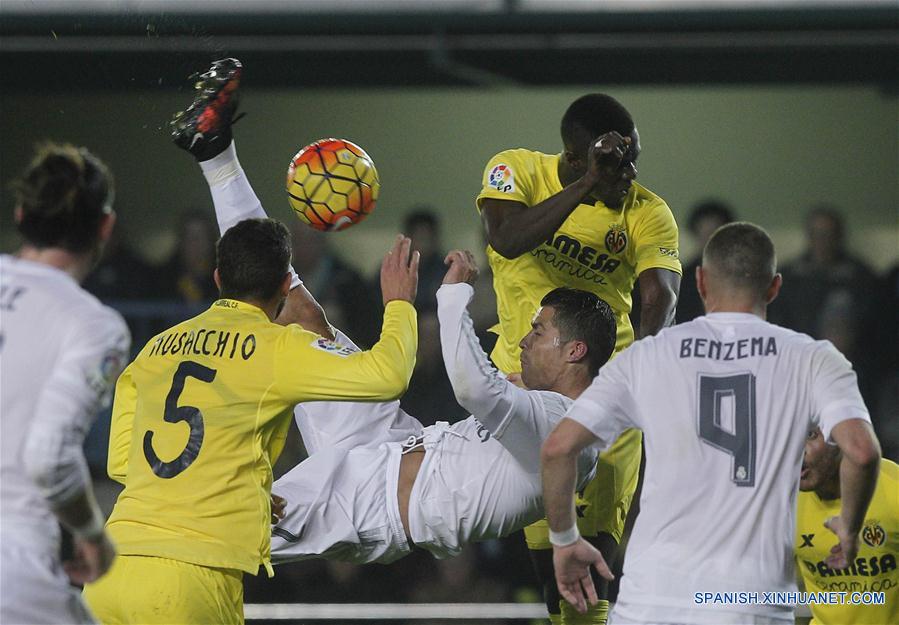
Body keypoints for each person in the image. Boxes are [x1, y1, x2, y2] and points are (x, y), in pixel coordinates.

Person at [81, 57, 420, 625]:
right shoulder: (277, 349)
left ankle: (215, 155)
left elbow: (123, 461)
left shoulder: (158, 347)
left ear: (217, 278)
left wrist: (235, 486)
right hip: (190, 580)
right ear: (287, 286)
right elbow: (387, 376)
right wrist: (402, 304)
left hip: (113, 569)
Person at [541, 222, 882, 624]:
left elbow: (558, 448)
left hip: (650, 601)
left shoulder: (647, 356)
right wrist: (849, 528)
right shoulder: (813, 359)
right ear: (774, 287)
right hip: (748, 604)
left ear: (701, 282)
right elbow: (862, 452)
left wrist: (565, 539)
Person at [270, 254, 614, 572]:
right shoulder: (544, 409)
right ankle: (240, 206)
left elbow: (473, 388)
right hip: (385, 441)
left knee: (240, 526)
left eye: (538, 332)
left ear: (574, 351)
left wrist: (452, 295)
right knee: (304, 319)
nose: (525, 341)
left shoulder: (567, 432)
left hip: (369, 505)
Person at [476, 93, 682, 623]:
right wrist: (589, 184)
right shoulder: (515, 170)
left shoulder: (647, 211)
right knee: (553, 576)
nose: (628, 174)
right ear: (575, 158)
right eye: (615, 164)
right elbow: (506, 238)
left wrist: (639, 371)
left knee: (592, 574)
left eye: (633, 160)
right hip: (524, 392)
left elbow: (659, 295)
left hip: (606, 393)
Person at [0, 143, 130, 624]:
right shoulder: (93, 325)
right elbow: (49, 454)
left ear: (21, 214)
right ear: (105, 227)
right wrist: (92, 533)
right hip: (14, 569)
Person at [794, 427, 898, 625]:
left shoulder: (893, 488)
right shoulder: (781, 505)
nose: (796, 450)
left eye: (810, 435)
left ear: (841, 436)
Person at [674, 199, 735, 324]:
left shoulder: (741, 275)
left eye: (715, 233)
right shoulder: (682, 280)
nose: (710, 240)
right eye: (705, 234)